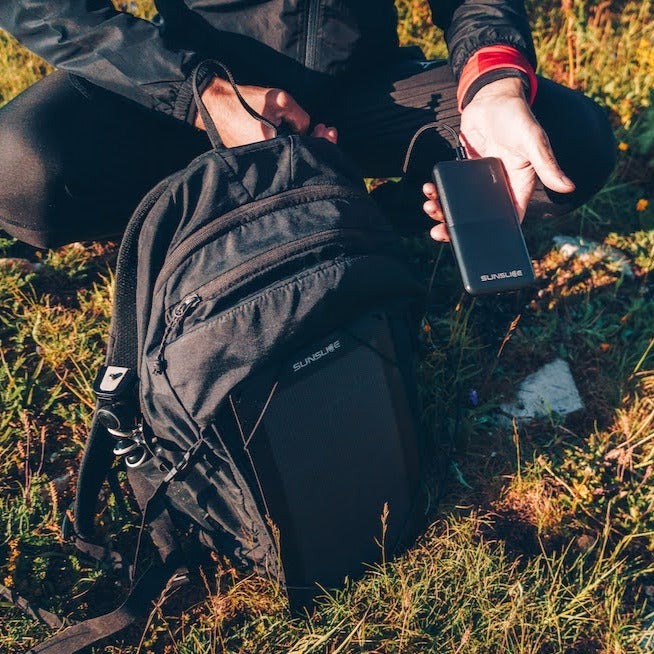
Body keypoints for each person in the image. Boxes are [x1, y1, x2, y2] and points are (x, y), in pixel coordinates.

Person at [0, 0, 615, 249]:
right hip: (197, 92)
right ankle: (191, 225)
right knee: (22, 165)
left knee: (566, 141)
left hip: (363, 94)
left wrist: (493, 85)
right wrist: (199, 92)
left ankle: (384, 232)